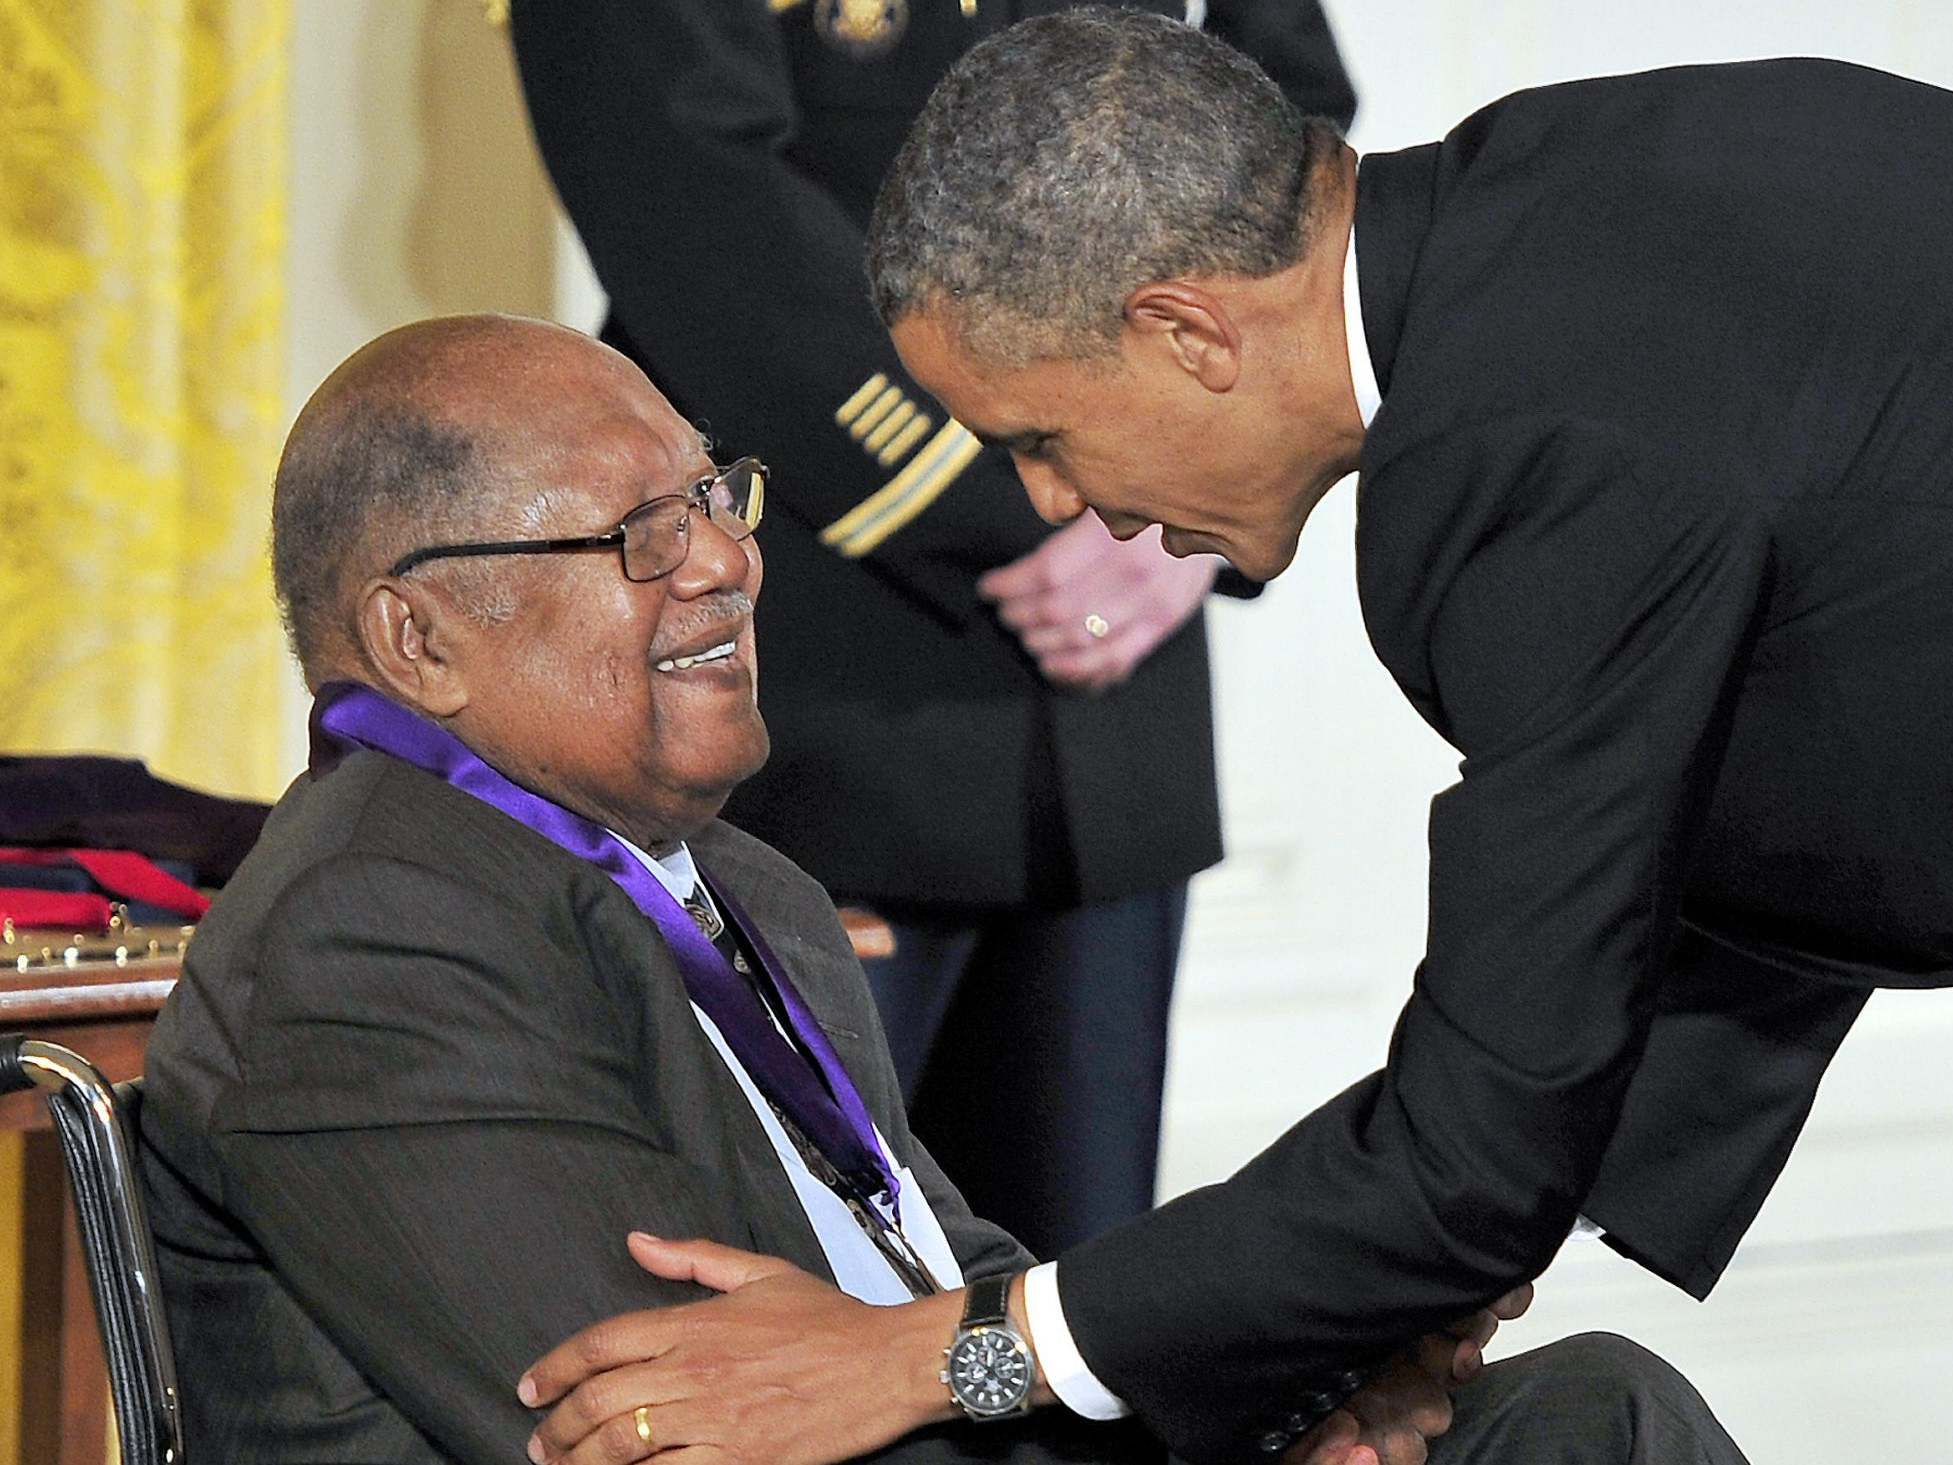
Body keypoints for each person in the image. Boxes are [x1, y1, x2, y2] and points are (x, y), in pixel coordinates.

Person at [505, 11, 1953, 1464]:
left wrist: (933, 1359)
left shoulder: (1507, 469)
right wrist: (1407, 1293)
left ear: (1185, 329)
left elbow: (1474, 1150)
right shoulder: (1595, 177)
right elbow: (1788, 772)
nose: (1055, 505)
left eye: (1042, 438)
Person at [138, 314, 1744, 1465]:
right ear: (420, 640)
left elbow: (937, 1281)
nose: (725, 560)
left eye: (715, 495)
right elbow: (663, 1423)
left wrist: (1288, 1388)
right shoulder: (376, 930)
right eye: (638, 534)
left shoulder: (746, 887)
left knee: (1588, 1409)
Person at [507, 0, 1358, 1260]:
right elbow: (684, 185)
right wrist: (1070, 489)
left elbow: (1284, 119)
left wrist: (1183, 499)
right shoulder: (1065, 502)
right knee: (792, 1281)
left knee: (1075, 1316)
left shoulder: (1132, 515)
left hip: (1112, 702)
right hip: (823, 660)